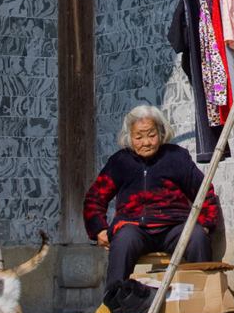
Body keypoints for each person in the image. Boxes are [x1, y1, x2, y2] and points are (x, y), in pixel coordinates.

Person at [84, 105, 220, 288]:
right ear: (129, 138)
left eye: (151, 135)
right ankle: (116, 301)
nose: (146, 142)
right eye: (138, 137)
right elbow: (94, 198)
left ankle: (203, 296)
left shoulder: (176, 157)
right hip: (134, 227)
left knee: (196, 237)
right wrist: (99, 230)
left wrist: (205, 225)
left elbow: (204, 192)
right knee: (122, 242)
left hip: (174, 226)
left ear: (161, 133)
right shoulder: (120, 162)